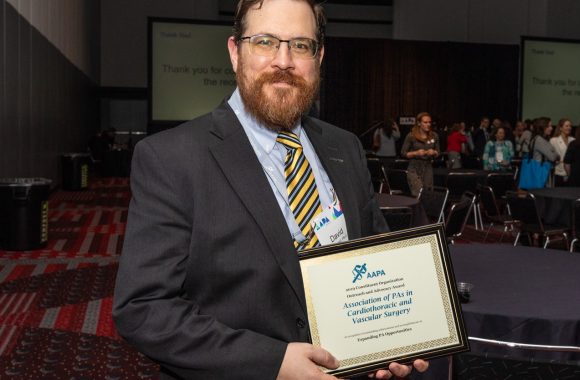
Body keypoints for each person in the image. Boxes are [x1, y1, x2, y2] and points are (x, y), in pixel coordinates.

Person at [112, 1, 429, 379]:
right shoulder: (171, 158)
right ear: (235, 52)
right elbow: (144, 307)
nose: (283, 61)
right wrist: (272, 363)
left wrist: (399, 334)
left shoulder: (345, 148)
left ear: (319, 56)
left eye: (300, 45)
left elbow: (374, 252)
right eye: (265, 41)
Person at [401, 112, 440, 196]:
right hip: (414, 167)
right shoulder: (411, 136)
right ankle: (416, 209)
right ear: (419, 123)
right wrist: (416, 153)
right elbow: (403, 153)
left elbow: (438, 152)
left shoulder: (434, 136)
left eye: (429, 122)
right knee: (418, 193)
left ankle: (425, 209)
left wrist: (434, 152)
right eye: (425, 122)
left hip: (428, 167)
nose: (428, 124)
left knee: (428, 194)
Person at [549, 118, 574, 186]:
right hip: (558, 173)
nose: (569, 128)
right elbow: (550, 157)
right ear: (560, 128)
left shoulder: (573, 140)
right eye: (567, 126)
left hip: (571, 173)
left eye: (570, 126)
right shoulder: (553, 140)